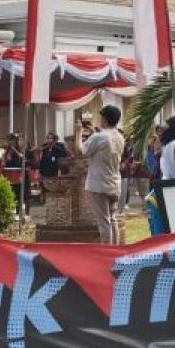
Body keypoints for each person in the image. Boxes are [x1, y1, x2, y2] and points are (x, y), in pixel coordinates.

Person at [73, 104, 126, 244]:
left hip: (99, 184)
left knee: (103, 222)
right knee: (112, 219)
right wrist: (94, 133)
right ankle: (115, 249)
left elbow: (79, 151)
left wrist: (78, 132)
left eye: (101, 117)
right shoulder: (120, 136)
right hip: (114, 183)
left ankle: (106, 251)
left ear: (105, 119)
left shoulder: (99, 137)